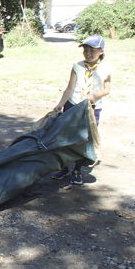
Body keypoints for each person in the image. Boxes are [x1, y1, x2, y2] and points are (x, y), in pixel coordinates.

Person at [52, 35, 113, 185]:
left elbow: (107, 90)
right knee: (65, 138)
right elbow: (70, 88)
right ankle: (63, 167)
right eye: (85, 49)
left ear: (101, 51)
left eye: (92, 50)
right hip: (73, 106)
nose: (88, 53)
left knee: (84, 140)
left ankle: (77, 169)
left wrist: (94, 96)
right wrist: (61, 103)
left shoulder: (105, 69)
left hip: (92, 109)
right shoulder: (77, 66)